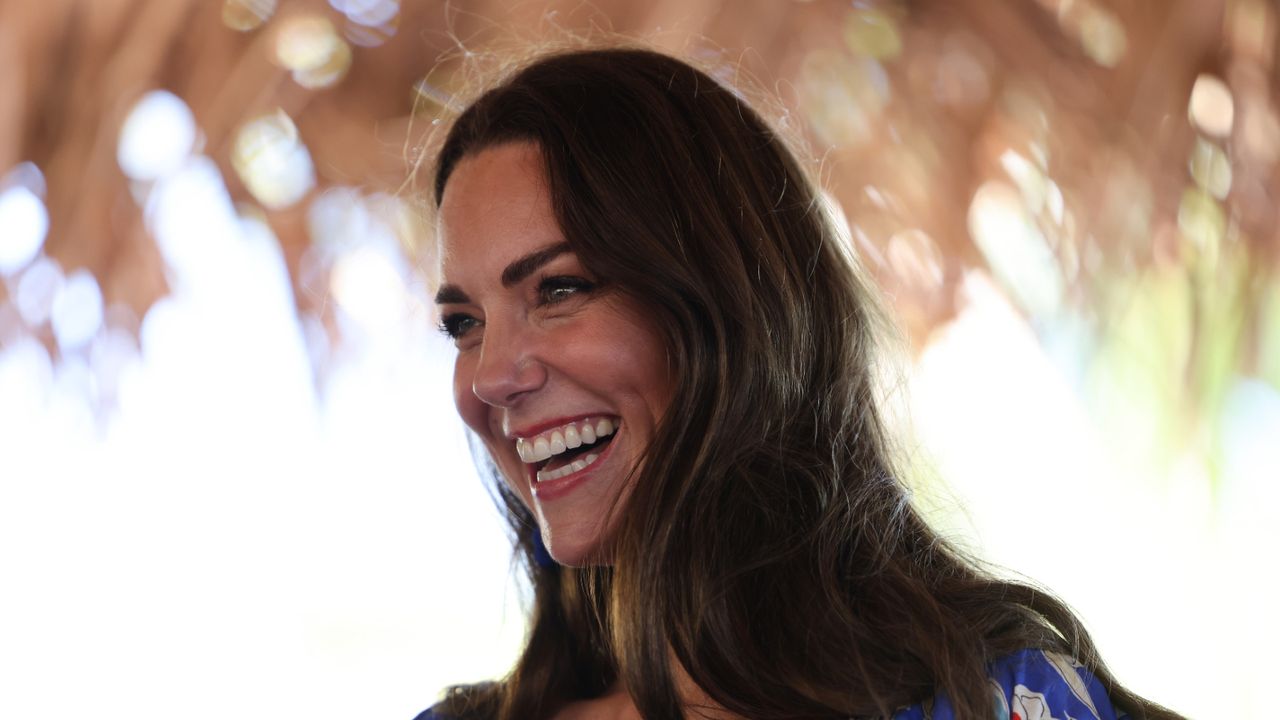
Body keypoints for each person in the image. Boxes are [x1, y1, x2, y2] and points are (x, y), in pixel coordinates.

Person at [419, 46, 1182, 720]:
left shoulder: (995, 702)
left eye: (557, 289)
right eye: (464, 324)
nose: (488, 378)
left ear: (726, 306)